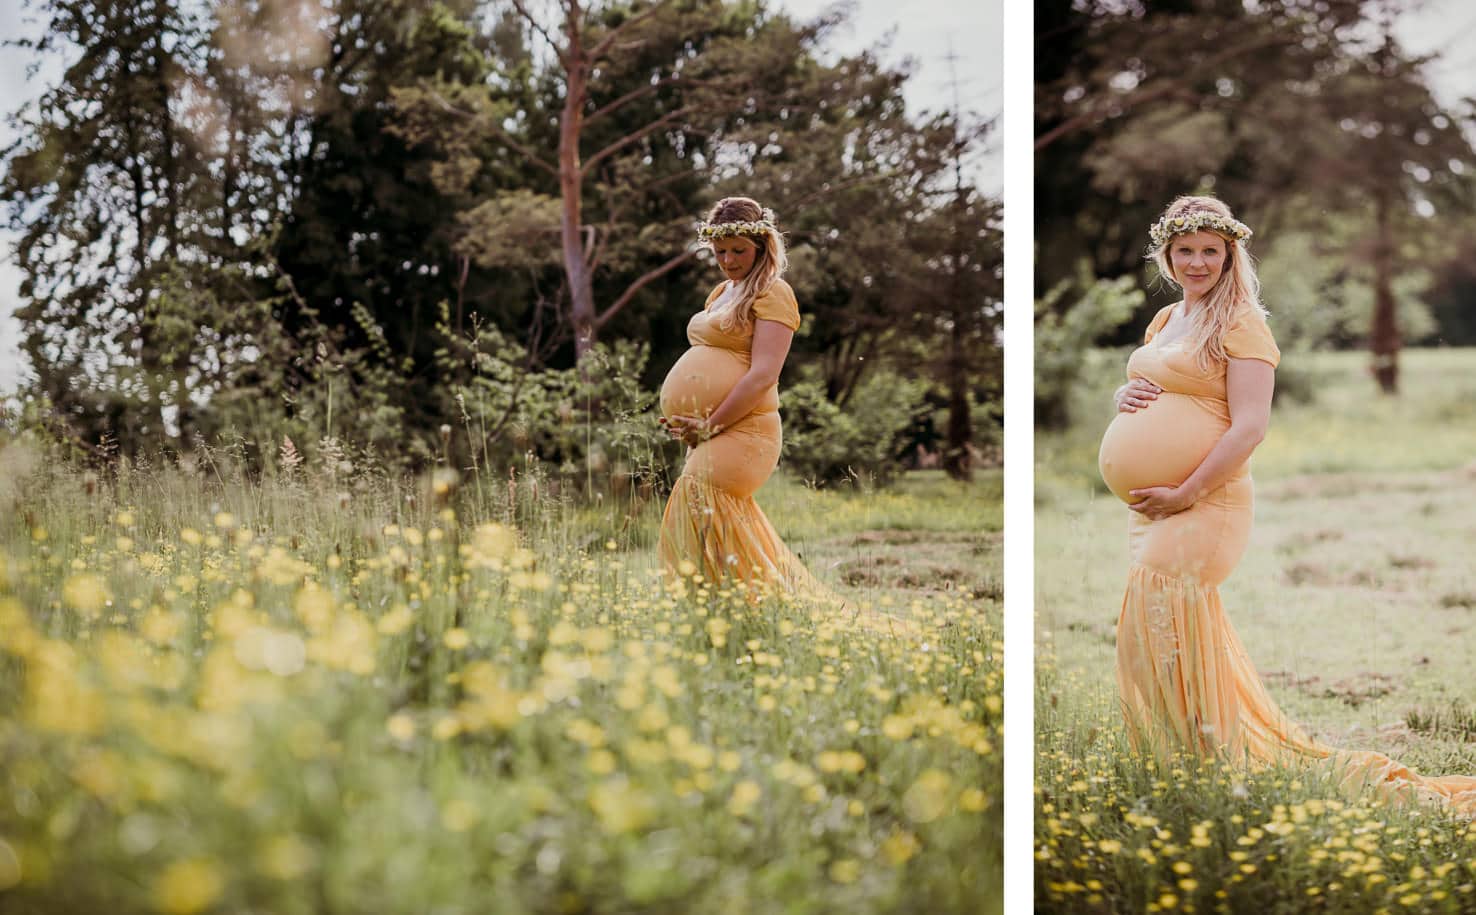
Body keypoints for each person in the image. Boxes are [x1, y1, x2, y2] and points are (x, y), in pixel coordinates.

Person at [1099, 194, 1476, 813]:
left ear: (1230, 256)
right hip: (1157, 505)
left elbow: (1249, 427)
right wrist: (1126, 393)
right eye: (1186, 251)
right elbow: (1164, 384)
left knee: (1166, 628)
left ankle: (1210, 771)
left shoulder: (1242, 323)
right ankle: (1188, 768)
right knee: (1149, 635)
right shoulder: (1168, 321)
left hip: (1205, 503)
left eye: (1211, 253)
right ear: (1167, 254)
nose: (1198, 263)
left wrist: (1187, 490)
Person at [656, 197, 826, 598]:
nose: (729, 261)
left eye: (738, 251)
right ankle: (731, 612)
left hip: (746, 429)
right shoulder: (722, 292)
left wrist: (711, 423)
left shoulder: (773, 292)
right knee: (707, 524)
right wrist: (695, 421)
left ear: (762, 245)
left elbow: (764, 373)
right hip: (712, 432)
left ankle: (734, 609)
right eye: (720, 252)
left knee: (698, 509)